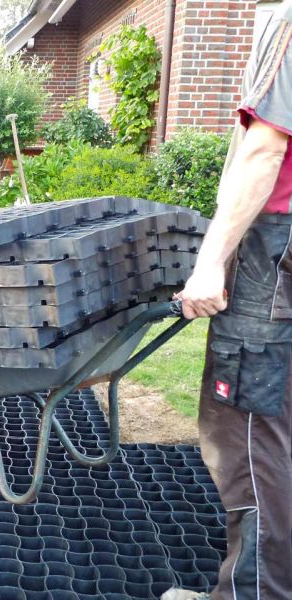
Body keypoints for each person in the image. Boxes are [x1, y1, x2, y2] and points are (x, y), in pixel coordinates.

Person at [162, 3, 292, 599]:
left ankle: (250, 594)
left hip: (275, 250)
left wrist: (211, 263)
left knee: (250, 429)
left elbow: (265, 150)